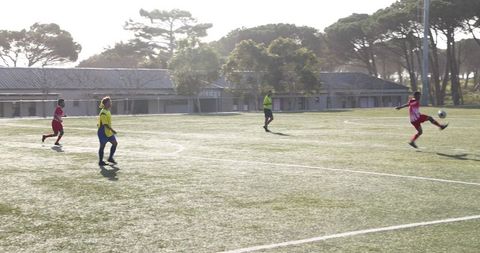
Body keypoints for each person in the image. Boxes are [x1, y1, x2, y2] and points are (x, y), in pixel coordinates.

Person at [97, 96, 118, 166]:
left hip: (108, 132)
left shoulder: (107, 111)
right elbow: (105, 124)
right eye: (109, 102)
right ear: (105, 104)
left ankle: (110, 158)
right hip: (102, 132)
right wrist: (112, 130)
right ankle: (100, 161)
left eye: (110, 102)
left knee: (115, 143)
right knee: (102, 146)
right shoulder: (103, 112)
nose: (110, 103)